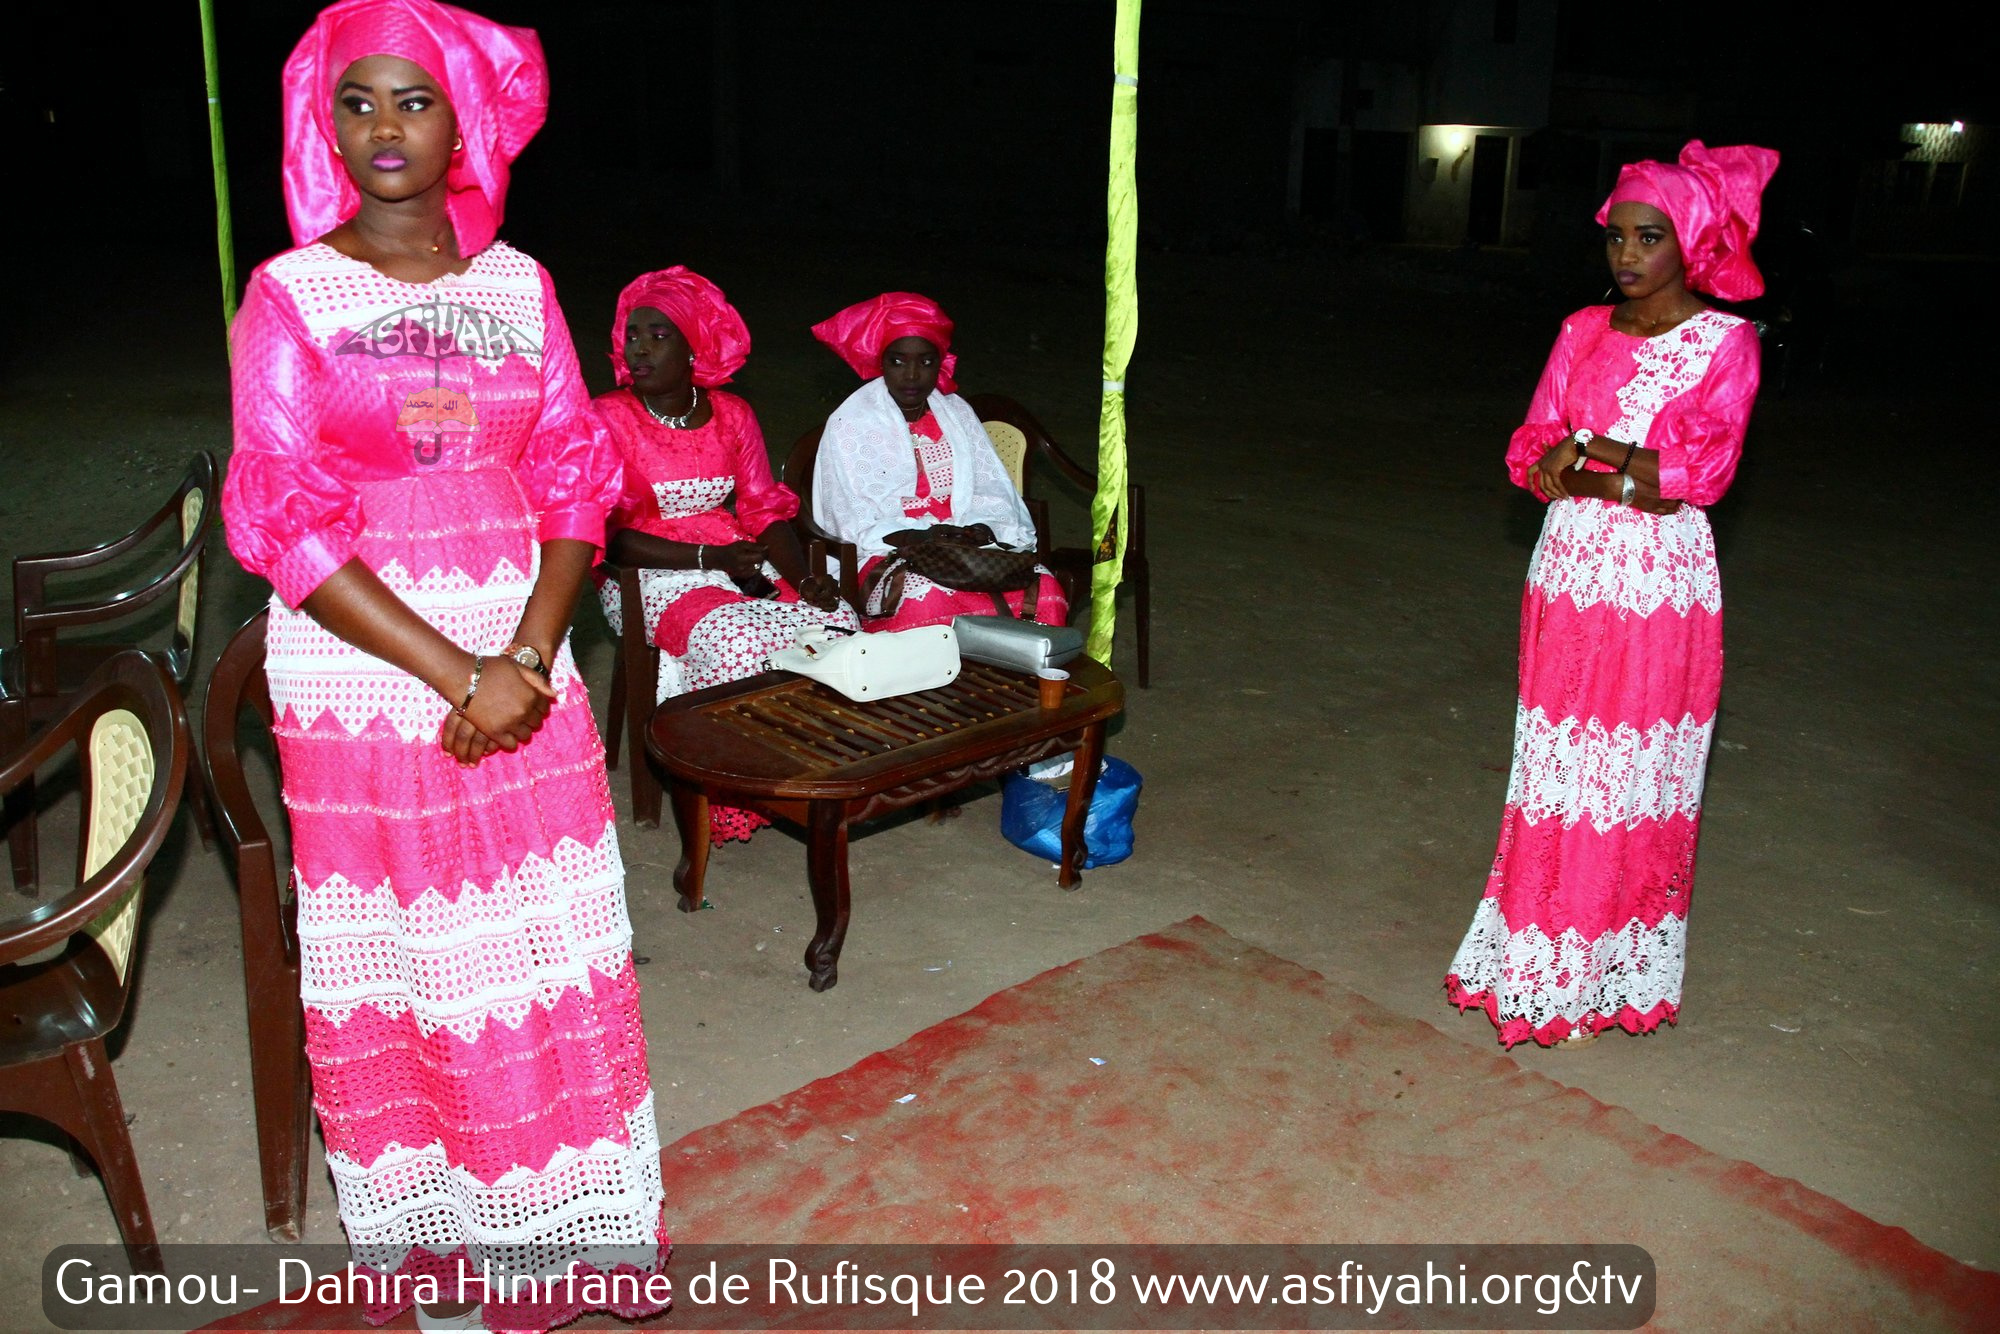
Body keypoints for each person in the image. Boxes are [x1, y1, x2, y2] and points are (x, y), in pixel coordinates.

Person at [220, 3, 665, 1329]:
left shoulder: (521, 286)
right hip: (368, 680)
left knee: (542, 949)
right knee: (425, 967)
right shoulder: (291, 296)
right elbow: (283, 517)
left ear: (464, 115)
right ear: (326, 123)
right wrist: (456, 671)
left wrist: (525, 653)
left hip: (525, 665)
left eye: (412, 101)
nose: (383, 129)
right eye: (356, 103)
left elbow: (577, 468)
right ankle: (451, 1265)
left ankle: (567, 1236)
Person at [1444, 141, 1778, 1050]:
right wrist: (1606, 465)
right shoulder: (1579, 332)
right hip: (1569, 571)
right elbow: (1531, 451)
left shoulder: (1726, 342)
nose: (1627, 256)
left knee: (1629, 776)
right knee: (1553, 769)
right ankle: (1536, 958)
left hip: (1660, 584)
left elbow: (1696, 474)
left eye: (1649, 237)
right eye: (1617, 238)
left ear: (1694, 243)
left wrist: (1596, 457)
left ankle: (1603, 972)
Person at [595, 266, 856, 842]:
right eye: (632, 335)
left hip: (733, 557)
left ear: (695, 347)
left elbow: (764, 510)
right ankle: (733, 787)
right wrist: (708, 562)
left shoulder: (732, 415)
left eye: (659, 336)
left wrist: (800, 578)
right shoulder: (608, 417)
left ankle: (802, 763)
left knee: (835, 621)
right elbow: (607, 533)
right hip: (644, 573)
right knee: (739, 638)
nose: (638, 348)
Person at [809, 292, 1068, 629]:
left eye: (926, 362)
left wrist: (978, 528)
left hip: (963, 541)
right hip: (890, 548)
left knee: (1045, 591)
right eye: (898, 361)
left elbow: (991, 491)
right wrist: (924, 536)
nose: (912, 375)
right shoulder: (851, 422)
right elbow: (848, 517)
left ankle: (1009, 681)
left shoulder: (957, 413)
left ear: (940, 362)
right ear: (880, 362)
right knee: (925, 598)